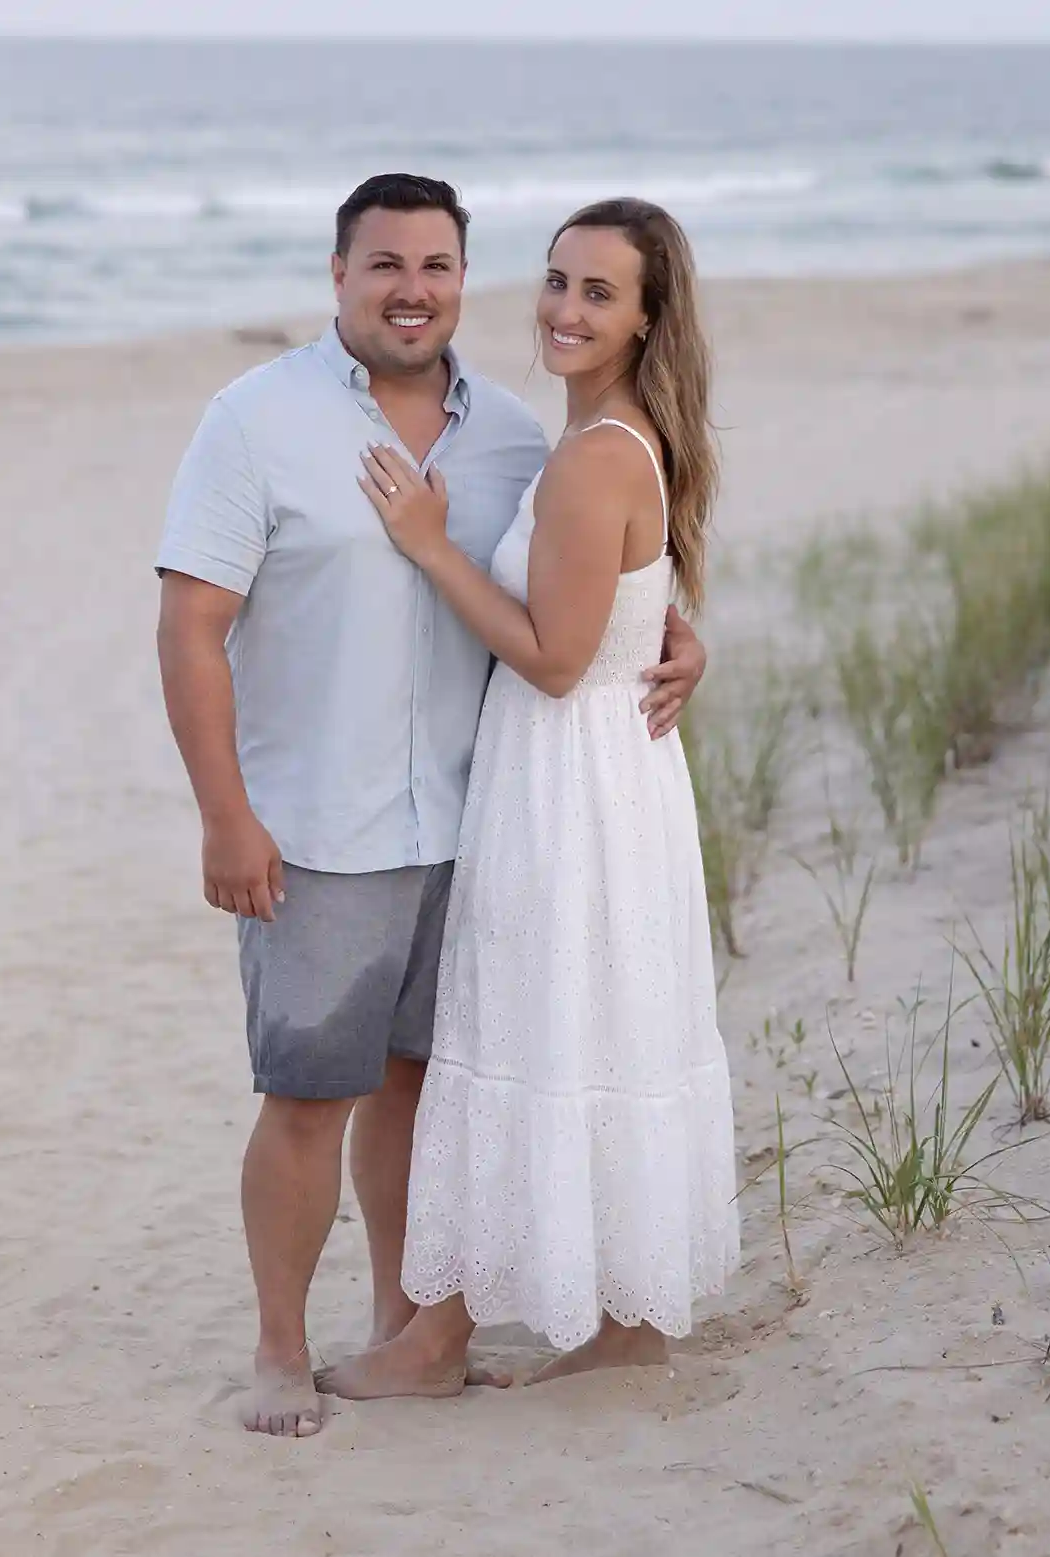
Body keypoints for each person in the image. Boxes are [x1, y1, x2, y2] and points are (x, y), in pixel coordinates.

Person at [154, 175, 710, 1437]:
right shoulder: (252, 422)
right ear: (338, 274)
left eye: (438, 266)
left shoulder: (522, 434)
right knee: (307, 1096)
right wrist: (224, 816)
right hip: (321, 834)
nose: (413, 288)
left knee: (424, 1090)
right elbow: (190, 629)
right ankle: (281, 1354)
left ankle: (406, 1337)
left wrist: (674, 641)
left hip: (482, 827)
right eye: (386, 263)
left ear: (464, 280)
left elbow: (593, 583)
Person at [317, 198, 738, 1400]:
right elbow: (618, 615)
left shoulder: (595, 455)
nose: (564, 309)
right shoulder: (626, 438)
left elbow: (554, 656)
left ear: (649, 318)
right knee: (587, 1027)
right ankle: (622, 1325)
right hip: (612, 774)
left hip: (566, 778)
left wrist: (429, 542)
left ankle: (440, 1338)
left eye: (599, 293)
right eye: (556, 281)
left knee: (521, 1022)